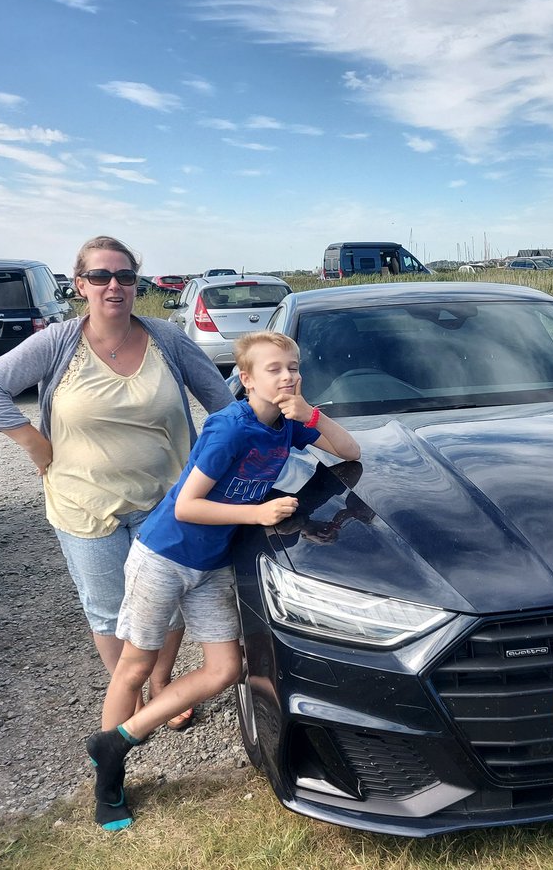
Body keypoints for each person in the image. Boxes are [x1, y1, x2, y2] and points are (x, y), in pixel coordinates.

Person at [84, 331, 361, 830]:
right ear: (247, 378)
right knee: (134, 667)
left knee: (224, 669)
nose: (288, 376)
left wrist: (313, 416)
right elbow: (188, 504)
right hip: (164, 556)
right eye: (274, 368)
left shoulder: (286, 424)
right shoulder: (230, 428)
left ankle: (114, 740)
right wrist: (257, 513)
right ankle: (110, 779)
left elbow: (349, 451)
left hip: (211, 563)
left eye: (293, 367)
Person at [0, 236, 232, 727]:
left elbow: (224, 404)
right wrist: (32, 442)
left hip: (170, 504)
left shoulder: (167, 340)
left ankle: (160, 683)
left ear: (136, 284)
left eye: (125, 276)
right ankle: (125, 692)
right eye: (102, 277)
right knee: (109, 612)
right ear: (80, 285)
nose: (114, 286)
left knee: (167, 605)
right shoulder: (57, 342)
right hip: (83, 505)